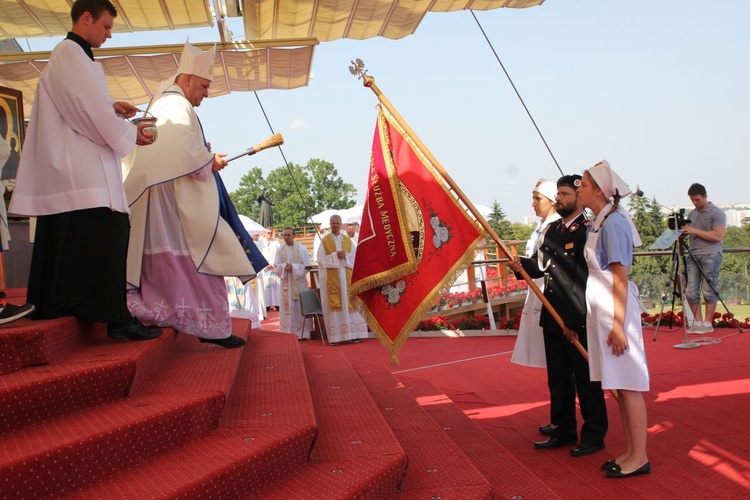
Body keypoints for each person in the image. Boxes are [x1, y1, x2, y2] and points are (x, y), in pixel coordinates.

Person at [9, 0, 160, 340]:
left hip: (81, 166)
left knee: (84, 238)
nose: (109, 35)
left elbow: (86, 104)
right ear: (87, 18)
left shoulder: (76, 57)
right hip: (79, 169)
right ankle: (117, 321)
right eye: (106, 27)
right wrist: (129, 133)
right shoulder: (68, 53)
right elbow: (85, 110)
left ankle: (66, 305)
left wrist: (111, 105)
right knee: (109, 233)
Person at [123, 40, 255, 349]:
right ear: (186, 79)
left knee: (195, 260)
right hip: (171, 205)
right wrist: (209, 161)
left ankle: (209, 326)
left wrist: (205, 159)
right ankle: (208, 326)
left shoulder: (170, 100)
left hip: (172, 200)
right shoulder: (174, 104)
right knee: (200, 257)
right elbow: (180, 149)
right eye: (205, 86)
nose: (207, 93)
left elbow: (179, 148)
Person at [510, 175, 608, 457]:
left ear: (578, 198)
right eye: (560, 194)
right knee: (559, 378)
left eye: (566, 194)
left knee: (587, 379)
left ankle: (593, 435)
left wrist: (574, 322)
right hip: (552, 314)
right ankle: (564, 429)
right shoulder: (554, 231)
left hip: (576, 316)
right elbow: (542, 267)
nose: (561, 198)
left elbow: (582, 279)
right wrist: (521, 266)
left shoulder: (585, 232)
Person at [578, 160, 650, 478]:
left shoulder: (613, 224)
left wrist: (619, 325)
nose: (578, 188)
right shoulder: (598, 222)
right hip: (605, 313)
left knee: (628, 385)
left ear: (598, 190)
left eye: (582, 184)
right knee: (617, 385)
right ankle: (631, 452)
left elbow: (620, 277)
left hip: (616, 314)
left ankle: (640, 457)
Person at [510, 178, 561, 436]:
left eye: (537, 199)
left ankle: (562, 421)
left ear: (553, 201)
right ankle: (558, 418)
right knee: (554, 367)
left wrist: (522, 264)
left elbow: (544, 265)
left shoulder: (555, 227)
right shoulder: (541, 227)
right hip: (539, 295)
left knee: (560, 367)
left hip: (552, 297)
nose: (533, 204)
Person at [316, 214, 368, 345]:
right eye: (333, 223)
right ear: (330, 224)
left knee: (350, 303)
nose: (335, 226)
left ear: (341, 224)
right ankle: (336, 337)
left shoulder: (347, 240)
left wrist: (346, 256)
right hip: (333, 280)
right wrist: (334, 255)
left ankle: (354, 334)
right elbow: (321, 261)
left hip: (346, 277)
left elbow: (356, 257)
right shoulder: (324, 241)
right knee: (335, 307)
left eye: (337, 223)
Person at [683, 183, 726, 334]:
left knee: (709, 290)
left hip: (711, 254)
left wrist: (694, 230)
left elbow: (717, 236)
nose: (695, 203)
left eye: (697, 199)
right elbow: (691, 233)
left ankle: (707, 323)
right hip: (693, 254)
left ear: (705, 196)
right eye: (692, 200)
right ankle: (697, 322)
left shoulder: (717, 213)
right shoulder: (692, 214)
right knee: (690, 291)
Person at [274, 227, 312, 340]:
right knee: (288, 307)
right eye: (284, 235)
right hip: (286, 282)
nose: (286, 237)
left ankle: (303, 333)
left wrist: (294, 268)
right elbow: (276, 266)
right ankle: (287, 331)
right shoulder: (280, 249)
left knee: (299, 306)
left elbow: (307, 266)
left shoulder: (302, 249)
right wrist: (284, 267)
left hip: (299, 282)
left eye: (288, 235)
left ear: (294, 236)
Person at [261, 228, 281, 311]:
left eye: (271, 233)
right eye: (268, 232)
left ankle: (277, 304)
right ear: (264, 233)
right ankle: (267, 305)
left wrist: (273, 264)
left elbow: (279, 254)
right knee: (266, 286)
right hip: (264, 267)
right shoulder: (260, 243)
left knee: (275, 286)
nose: (269, 234)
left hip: (274, 267)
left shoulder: (276, 242)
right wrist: (265, 265)